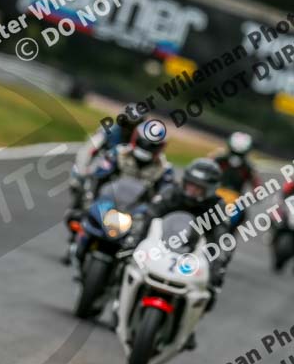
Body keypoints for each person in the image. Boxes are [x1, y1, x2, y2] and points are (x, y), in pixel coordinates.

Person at [138, 158, 230, 349]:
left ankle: (190, 327)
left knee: (212, 286)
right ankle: (117, 303)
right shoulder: (171, 193)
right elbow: (151, 214)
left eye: (199, 188)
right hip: (161, 246)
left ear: (210, 189)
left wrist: (219, 259)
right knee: (130, 260)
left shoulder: (217, 207)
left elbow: (221, 237)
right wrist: (137, 237)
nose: (192, 191)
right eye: (190, 185)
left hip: (192, 253)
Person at [66, 123, 173, 262]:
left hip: (137, 212)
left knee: (146, 237)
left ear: (160, 147)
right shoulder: (118, 153)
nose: (146, 148)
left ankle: (130, 262)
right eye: (144, 143)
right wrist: (90, 197)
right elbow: (99, 176)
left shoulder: (164, 169)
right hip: (111, 202)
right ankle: (77, 241)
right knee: (76, 215)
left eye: (152, 145)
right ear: (136, 139)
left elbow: (167, 194)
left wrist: (156, 205)